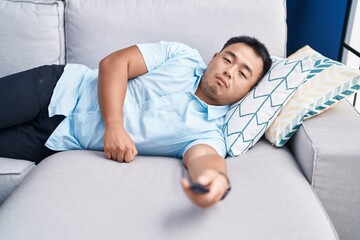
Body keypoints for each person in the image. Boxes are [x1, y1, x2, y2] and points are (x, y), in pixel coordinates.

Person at [0, 36, 271, 208]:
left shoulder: (210, 133)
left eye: (243, 73)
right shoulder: (181, 55)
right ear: (214, 58)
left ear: (248, 91)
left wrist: (214, 181)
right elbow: (114, 63)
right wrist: (114, 127)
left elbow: (205, 159)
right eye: (227, 59)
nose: (229, 71)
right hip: (55, 87)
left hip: (54, 139)